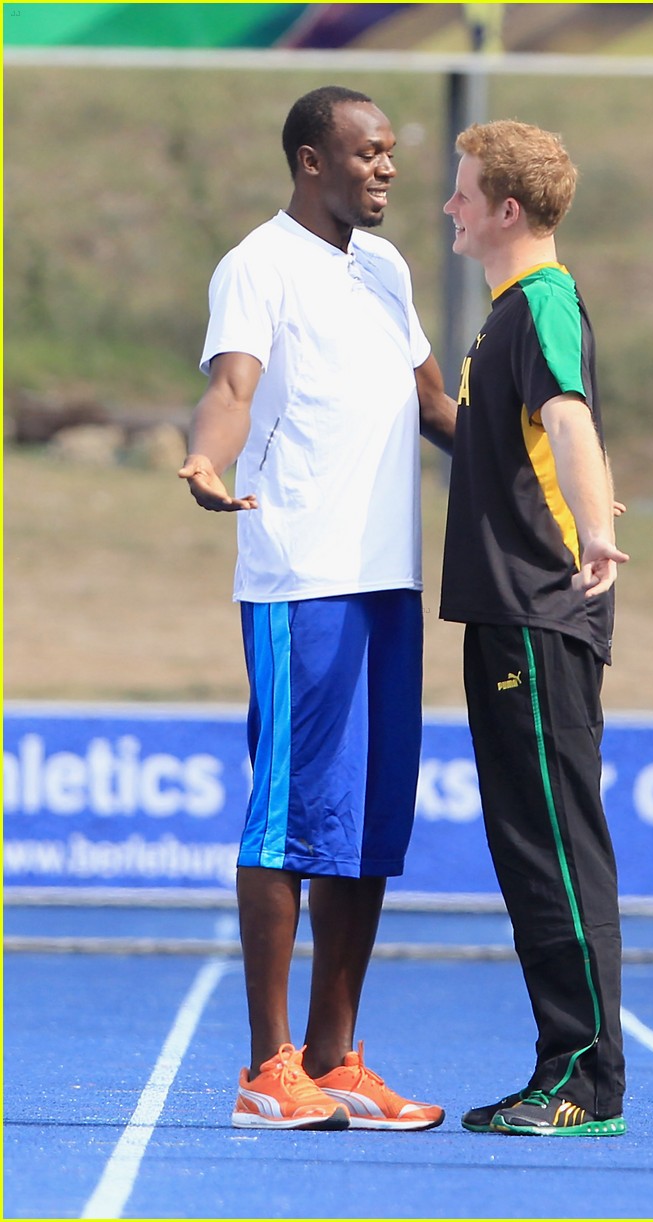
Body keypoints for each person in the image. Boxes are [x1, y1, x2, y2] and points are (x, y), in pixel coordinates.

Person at [179, 85, 455, 1132]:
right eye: (366, 152)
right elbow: (234, 387)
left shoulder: (384, 269)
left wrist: (541, 472)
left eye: (390, 151)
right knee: (289, 814)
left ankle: (338, 1057)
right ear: (310, 161)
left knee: (369, 825)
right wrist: (210, 453)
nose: (385, 167)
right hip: (303, 581)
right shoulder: (257, 265)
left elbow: (435, 409)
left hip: (389, 582)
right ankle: (267, 1063)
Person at [439, 119, 629, 1136]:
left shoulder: (543, 304)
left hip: (539, 615)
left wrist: (595, 530)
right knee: (527, 849)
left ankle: (589, 1082)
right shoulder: (505, 317)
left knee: (556, 847)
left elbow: (567, 420)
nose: (448, 207)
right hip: (503, 614)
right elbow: (496, 443)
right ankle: (561, 1061)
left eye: (462, 192)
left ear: (507, 209)